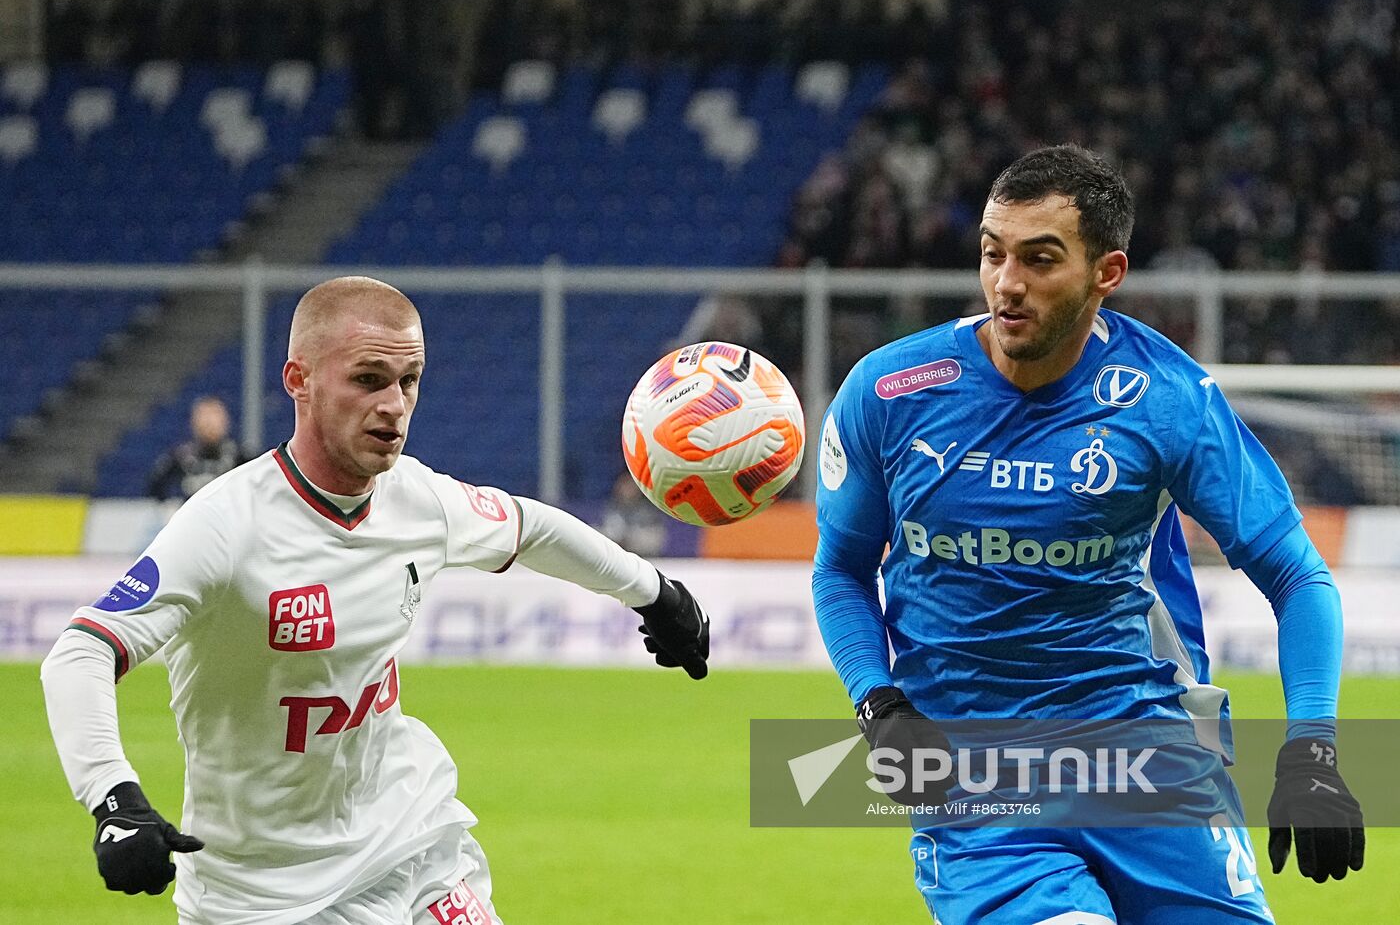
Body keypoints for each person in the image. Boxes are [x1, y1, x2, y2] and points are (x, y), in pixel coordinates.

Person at [41, 276, 709, 923]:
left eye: (408, 381)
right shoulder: (226, 524)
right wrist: (114, 801)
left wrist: (653, 593)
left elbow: (529, 527)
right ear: (298, 380)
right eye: (368, 379)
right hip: (264, 896)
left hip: (410, 841)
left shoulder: (417, 499)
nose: (394, 403)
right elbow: (82, 652)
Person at [812, 145, 1364, 923]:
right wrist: (879, 703)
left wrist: (1312, 747)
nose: (1007, 284)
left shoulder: (1165, 398)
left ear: (1107, 273)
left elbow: (1299, 578)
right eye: (992, 254)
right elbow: (839, 568)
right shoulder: (890, 391)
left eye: (1040, 260)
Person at [147, 395, 250, 502]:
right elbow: (155, 484)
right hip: (193, 516)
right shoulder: (182, 455)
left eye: (215, 417)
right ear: (194, 421)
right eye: (204, 417)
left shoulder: (238, 455)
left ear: (225, 422)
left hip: (226, 515)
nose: (209, 424)